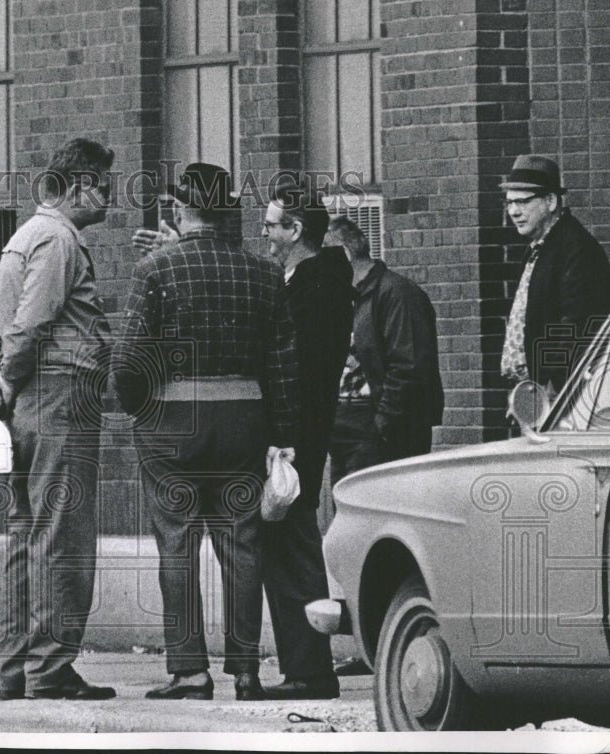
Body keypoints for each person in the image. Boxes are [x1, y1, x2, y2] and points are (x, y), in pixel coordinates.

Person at [113, 163, 297, 702]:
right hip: (244, 419)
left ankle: (190, 671)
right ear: (227, 213)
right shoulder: (263, 272)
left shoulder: (156, 269)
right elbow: (283, 365)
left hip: (172, 421)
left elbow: (127, 361)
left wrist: (141, 409)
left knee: (177, 544)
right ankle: (246, 670)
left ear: (179, 208)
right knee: (242, 545)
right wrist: (281, 433)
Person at [0, 138, 116, 701]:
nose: (108, 196)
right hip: (61, 395)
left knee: (25, 532)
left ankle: (15, 669)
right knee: (63, 533)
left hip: (24, 402)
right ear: (79, 185)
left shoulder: (22, 238)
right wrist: (9, 374)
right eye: (104, 186)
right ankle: (50, 669)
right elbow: (29, 325)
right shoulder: (58, 238)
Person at [259, 179, 353, 701]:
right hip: (302, 434)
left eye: (272, 226)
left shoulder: (314, 288)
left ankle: (309, 670)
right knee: (291, 543)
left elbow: (303, 373)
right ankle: (306, 665)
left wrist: (285, 439)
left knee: (290, 544)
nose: (265, 234)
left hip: (296, 438)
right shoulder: (315, 281)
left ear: (296, 230)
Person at [325, 216, 443, 483]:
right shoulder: (344, 297)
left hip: (379, 430)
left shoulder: (398, 294)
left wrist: (381, 428)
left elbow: (408, 368)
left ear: (342, 255)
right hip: (348, 427)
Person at [499, 154, 610, 396]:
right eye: (509, 203)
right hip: (536, 391)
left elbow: (576, 327)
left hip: (560, 395)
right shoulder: (540, 247)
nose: (513, 211)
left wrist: (550, 387)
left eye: (522, 202)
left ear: (550, 201)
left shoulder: (577, 250)